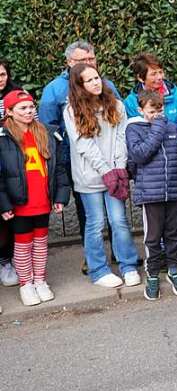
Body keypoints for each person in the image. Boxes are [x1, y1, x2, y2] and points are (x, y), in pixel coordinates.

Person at [38, 40, 121, 265]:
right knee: (89, 214)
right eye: (81, 60)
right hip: (77, 162)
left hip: (111, 160)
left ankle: (119, 252)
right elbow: (47, 128)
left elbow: (120, 122)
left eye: (90, 59)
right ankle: (92, 256)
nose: (87, 64)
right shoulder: (54, 89)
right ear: (69, 62)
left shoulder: (107, 85)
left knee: (117, 214)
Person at [64, 63, 140, 289]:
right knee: (95, 223)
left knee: (119, 220)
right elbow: (83, 145)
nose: (96, 83)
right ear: (79, 86)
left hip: (115, 173)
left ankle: (128, 265)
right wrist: (105, 170)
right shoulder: (71, 110)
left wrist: (118, 167)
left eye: (97, 78)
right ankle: (98, 270)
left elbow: (121, 137)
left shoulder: (116, 104)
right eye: (89, 80)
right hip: (90, 177)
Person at [0, 89, 70, 307]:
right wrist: (3, 204)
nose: (29, 111)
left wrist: (60, 196)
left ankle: (40, 280)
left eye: (31, 107)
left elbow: (58, 168)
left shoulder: (46, 132)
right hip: (20, 201)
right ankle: (25, 283)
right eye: (22, 108)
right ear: (9, 112)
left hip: (42, 199)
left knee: (40, 242)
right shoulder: (4, 138)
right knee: (23, 244)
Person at [125, 89, 177, 301]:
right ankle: (153, 274)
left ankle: (174, 270)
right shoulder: (134, 129)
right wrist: (157, 127)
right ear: (141, 110)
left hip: (173, 192)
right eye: (152, 111)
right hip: (151, 195)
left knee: (173, 234)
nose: (157, 114)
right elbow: (140, 155)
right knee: (153, 238)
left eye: (160, 110)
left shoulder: (173, 128)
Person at [123, 53, 177, 144]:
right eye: (153, 74)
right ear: (140, 78)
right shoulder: (131, 102)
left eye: (160, 72)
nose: (159, 77)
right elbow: (135, 134)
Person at [0, 58, 20, 287]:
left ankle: (9, 260)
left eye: (3, 74)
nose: (0, 79)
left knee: (10, 216)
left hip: (12, 162)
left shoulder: (17, 95)